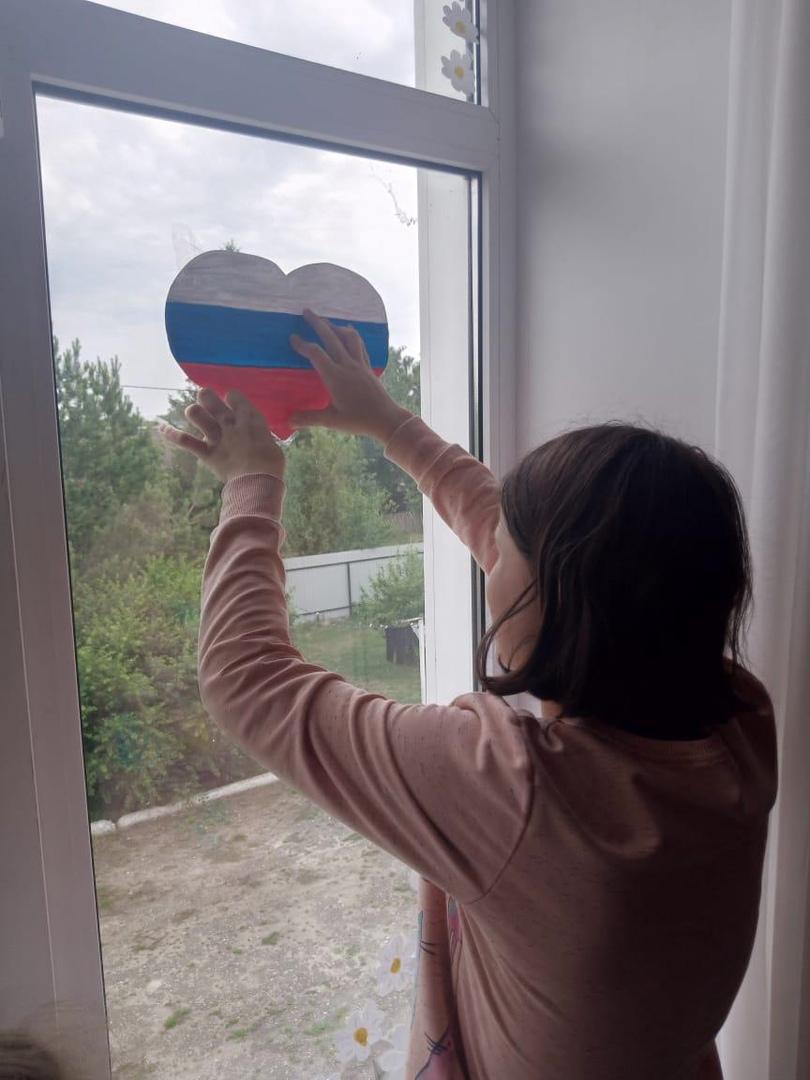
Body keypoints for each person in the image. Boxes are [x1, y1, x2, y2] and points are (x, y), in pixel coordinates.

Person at [159, 310, 778, 1080]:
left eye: (505, 554)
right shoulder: (741, 724)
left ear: (561, 600)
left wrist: (253, 483)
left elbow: (246, 678)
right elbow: (544, 550)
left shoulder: (517, 792)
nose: (490, 570)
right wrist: (390, 424)